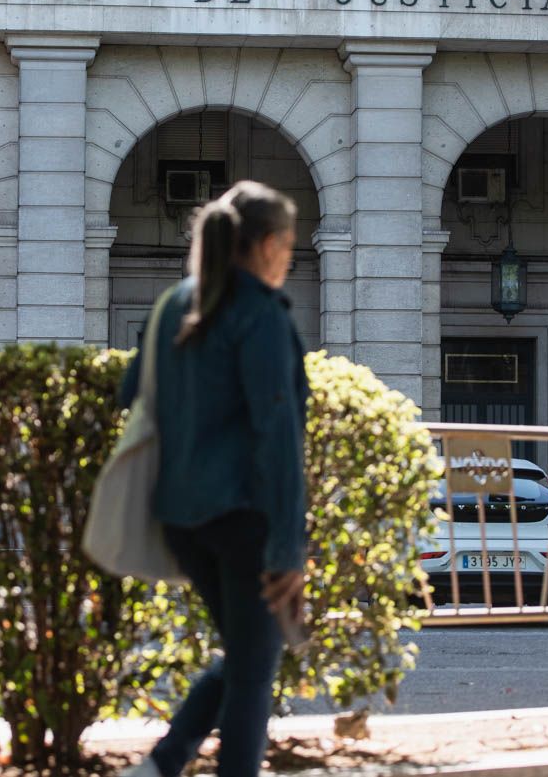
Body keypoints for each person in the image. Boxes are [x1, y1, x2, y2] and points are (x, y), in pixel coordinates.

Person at [119, 180, 310, 777]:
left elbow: (131, 394)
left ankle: (160, 765)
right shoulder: (260, 314)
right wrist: (287, 550)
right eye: (290, 247)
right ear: (269, 245)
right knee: (253, 674)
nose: (290, 259)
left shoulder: (174, 305)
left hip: (180, 516)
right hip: (244, 520)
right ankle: (168, 765)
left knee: (247, 658)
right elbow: (278, 437)